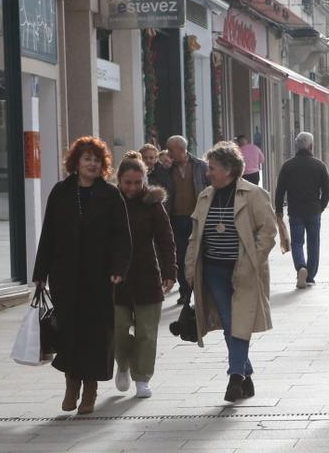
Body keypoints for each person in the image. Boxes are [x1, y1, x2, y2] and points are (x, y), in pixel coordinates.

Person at [33, 136, 132, 414]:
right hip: (64, 276)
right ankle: (71, 384)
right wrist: (40, 273)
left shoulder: (110, 195)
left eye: (97, 160)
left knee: (96, 334)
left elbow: (122, 237)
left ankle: (90, 389)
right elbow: (48, 234)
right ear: (76, 162)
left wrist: (118, 269)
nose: (92, 164)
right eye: (87, 158)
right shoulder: (60, 192)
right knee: (69, 331)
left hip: (99, 277)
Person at [185, 141, 278, 402]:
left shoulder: (253, 194)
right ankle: (243, 375)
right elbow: (195, 236)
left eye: (212, 168)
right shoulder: (206, 196)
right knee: (229, 321)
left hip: (243, 271)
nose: (208, 173)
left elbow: (268, 231)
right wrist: (190, 266)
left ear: (228, 169)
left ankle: (235, 377)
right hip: (214, 270)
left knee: (239, 322)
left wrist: (253, 260)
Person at [113, 159, 177, 399]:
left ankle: (142, 377)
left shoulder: (153, 204)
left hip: (147, 274)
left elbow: (165, 239)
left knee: (147, 332)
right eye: (127, 182)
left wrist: (170, 271)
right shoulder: (110, 202)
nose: (132, 187)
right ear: (119, 180)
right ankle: (123, 364)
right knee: (118, 330)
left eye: (137, 183)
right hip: (115, 277)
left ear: (144, 181)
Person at [149, 136, 208, 306]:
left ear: (181, 149)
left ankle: (200, 291)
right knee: (180, 257)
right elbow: (154, 181)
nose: (168, 153)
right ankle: (185, 292)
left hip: (196, 218)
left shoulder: (199, 166)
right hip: (175, 219)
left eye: (170, 149)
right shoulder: (166, 168)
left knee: (198, 256)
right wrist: (160, 166)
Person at [274, 132, 329, 289]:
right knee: (313, 243)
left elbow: (280, 190)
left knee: (297, 242)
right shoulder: (319, 165)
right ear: (311, 146)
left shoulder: (288, 166)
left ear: (296, 147)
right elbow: (327, 190)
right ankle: (310, 276)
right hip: (313, 210)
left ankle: (301, 267)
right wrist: (321, 206)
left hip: (295, 211)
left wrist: (278, 209)